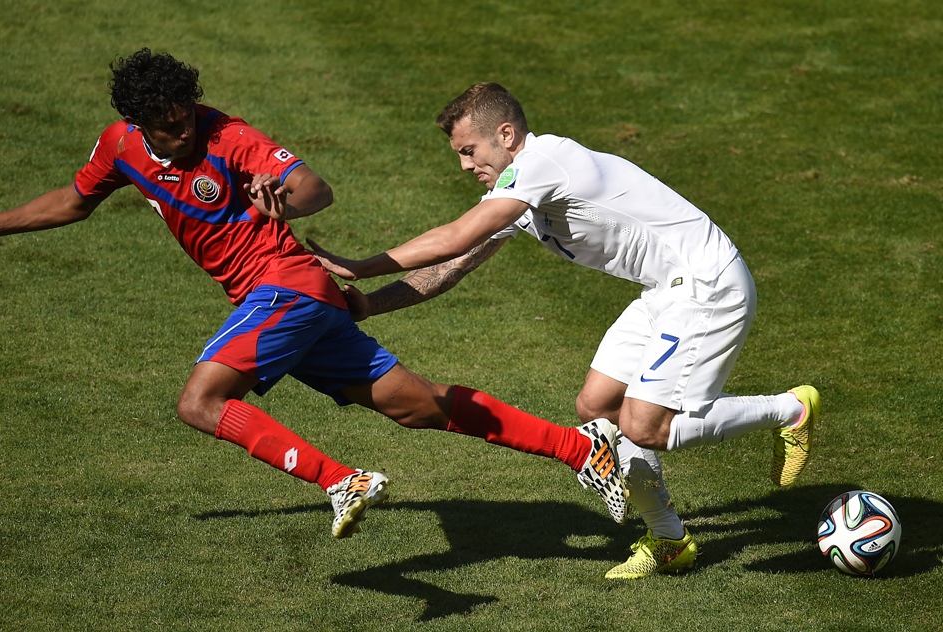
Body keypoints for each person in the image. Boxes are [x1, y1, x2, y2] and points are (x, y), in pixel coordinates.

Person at [0, 54, 629, 539]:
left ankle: (342, 482)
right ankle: (579, 450)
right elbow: (75, 202)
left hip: (284, 285)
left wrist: (286, 200)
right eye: (168, 124)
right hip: (293, 302)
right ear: (139, 122)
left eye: (186, 114)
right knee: (421, 408)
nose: (183, 130)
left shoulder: (229, 136)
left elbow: (315, 187)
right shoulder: (122, 146)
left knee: (198, 402)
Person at [309, 82, 820, 576]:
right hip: (663, 288)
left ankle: (790, 410)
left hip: (706, 284)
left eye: (469, 150)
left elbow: (456, 235)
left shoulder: (545, 163)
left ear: (505, 134)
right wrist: (370, 306)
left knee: (646, 428)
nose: (465, 165)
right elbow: (453, 265)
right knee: (597, 408)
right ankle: (668, 540)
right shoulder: (518, 187)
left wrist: (361, 265)